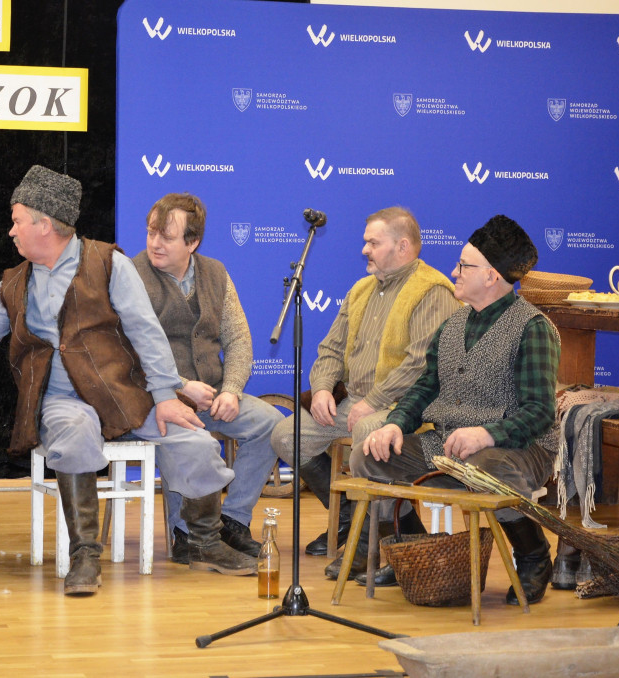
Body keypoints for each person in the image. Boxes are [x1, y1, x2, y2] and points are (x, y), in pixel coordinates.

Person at [0, 165, 257, 595]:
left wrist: (167, 395)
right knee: (73, 435)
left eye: (17, 220)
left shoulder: (110, 263)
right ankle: (86, 554)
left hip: (121, 393)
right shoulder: (15, 282)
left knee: (195, 441)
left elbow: (146, 330)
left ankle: (205, 541)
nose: (11, 231)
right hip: (61, 399)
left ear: (44, 224)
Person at [361, 215, 560, 605]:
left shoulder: (533, 327)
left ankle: (534, 557)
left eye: (463, 266)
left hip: (520, 450)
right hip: (448, 445)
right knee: (369, 455)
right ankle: (420, 555)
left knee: (487, 463)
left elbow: (539, 413)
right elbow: (424, 388)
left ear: (491, 276)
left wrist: (486, 433)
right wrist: (395, 424)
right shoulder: (452, 325)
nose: (453, 271)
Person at [270, 206, 459, 580]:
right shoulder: (360, 290)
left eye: (373, 242)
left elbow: (421, 364)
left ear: (402, 246)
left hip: (406, 406)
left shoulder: (433, 291)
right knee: (284, 436)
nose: (364, 250)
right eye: (365, 242)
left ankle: (369, 542)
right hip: (353, 398)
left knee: (366, 433)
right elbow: (331, 349)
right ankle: (347, 521)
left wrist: (373, 402)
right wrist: (323, 387)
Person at [132, 192, 283, 562]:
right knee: (189, 436)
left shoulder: (216, 273)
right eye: (151, 232)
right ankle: (185, 534)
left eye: (166, 237)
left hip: (212, 392)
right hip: (154, 395)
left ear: (193, 242)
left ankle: (231, 521)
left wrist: (230, 391)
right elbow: (127, 350)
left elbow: (239, 339)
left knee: (272, 425)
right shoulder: (131, 275)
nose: (154, 243)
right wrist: (179, 386)